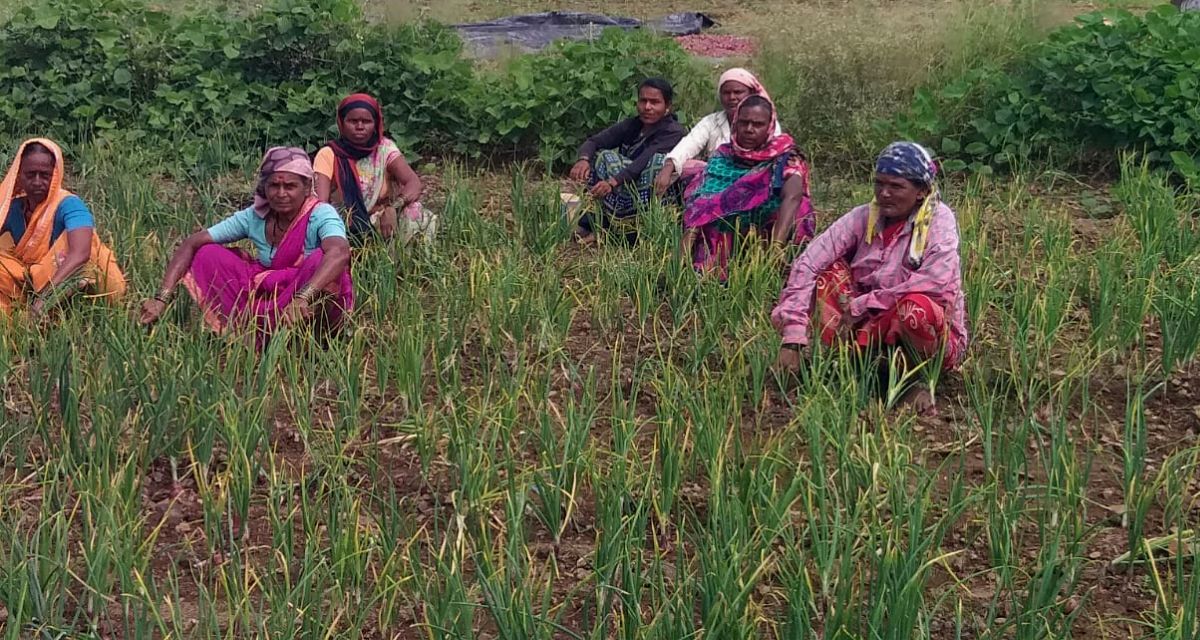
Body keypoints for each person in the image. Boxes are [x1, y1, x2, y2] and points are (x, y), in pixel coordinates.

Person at [771, 142, 968, 414]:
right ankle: (852, 364)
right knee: (826, 276)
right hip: (867, 327)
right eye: (879, 184)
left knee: (915, 308)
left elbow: (936, 283)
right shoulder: (865, 217)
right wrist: (792, 338)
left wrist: (864, 304)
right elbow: (808, 262)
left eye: (896, 186)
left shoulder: (939, 221)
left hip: (926, 335)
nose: (884, 193)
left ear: (921, 191)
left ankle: (915, 380)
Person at [139, 147, 353, 342]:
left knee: (319, 260)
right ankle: (247, 330)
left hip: (306, 299)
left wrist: (302, 298)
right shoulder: (256, 216)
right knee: (208, 253)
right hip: (270, 293)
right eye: (274, 186)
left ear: (307, 187)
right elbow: (192, 243)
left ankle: (308, 338)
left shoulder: (321, 214)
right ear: (264, 187)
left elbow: (339, 252)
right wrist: (161, 298)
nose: (281, 194)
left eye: (290, 186)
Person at [681, 95, 814, 281]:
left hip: (769, 225)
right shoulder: (724, 154)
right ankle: (720, 266)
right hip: (731, 224)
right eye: (744, 123)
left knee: (801, 208)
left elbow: (793, 194)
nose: (749, 130)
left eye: (757, 124)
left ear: (770, 126)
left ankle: (777, 261)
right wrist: (690, 233)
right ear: (735, 123)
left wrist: (776, 246)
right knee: (716, 210)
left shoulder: (786, 155)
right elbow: (704, 196)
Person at [0, 138, 126, 317]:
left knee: (74, 246)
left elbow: (81, 253)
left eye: (44, 175)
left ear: (56, 175)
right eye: (30, 174)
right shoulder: (12, 208)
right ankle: (15, 316)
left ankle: (62, 313)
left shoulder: (69, 204)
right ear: (19, 174)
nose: (37, 181)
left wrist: (45, 298)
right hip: (36, 281)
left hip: (83, 283)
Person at [569, 78, 685, 243]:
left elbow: (645, 159)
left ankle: (645, 232)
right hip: (627, 186)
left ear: (667, 107)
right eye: (643, 101)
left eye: (654, 102)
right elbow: (594, 141)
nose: (647, 107)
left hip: (650, 193)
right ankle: (598, 226)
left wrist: (613, 182)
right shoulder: (633, 125)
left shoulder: (673, 131)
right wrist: (583, 159)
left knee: (658, 162)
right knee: (603, 157)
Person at [314, 93, 435, 245]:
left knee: (416, 211)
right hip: (343, 226)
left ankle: (399, 264)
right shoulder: (329, 154)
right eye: (352, 121)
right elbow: (320, 204)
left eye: (366, 121)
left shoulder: (384, 149)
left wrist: (393, 208)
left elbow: (413, 183)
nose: (359, 126)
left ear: (375, 124)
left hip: (381, 220)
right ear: (341, 123)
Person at [653, 68, 780, 199]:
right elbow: (690, 143)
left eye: (738, 92)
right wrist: (669, 166)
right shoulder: (711, 122)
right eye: (726, 93)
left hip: (755, 184)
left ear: (751, 94)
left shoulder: (768, 125)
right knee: (686, 167)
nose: (732, 97)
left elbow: (775, 160)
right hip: (717, 182)